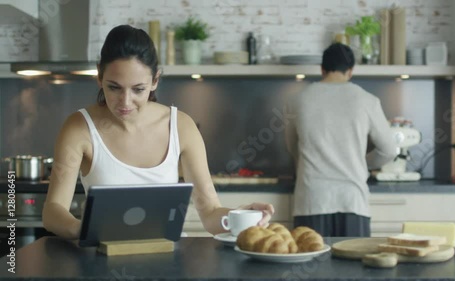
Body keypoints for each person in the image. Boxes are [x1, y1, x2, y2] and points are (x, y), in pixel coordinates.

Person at [42, 25, 274, 239]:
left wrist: (240, 217)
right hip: (101, 259)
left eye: (138, 89)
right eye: (114, 87)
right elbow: (53, 211)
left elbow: (210, 212)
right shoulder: (78, 127)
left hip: (167, 261)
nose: (125, 101)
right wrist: (82, 228)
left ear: (155, 81)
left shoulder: (181, 127)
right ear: (99, 77)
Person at [285, 43, 397, 237]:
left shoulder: (298, 100)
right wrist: (364, 163)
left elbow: (292, 147)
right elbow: (389, 150)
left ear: (322, 69)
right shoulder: (367, 100)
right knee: (353, 266)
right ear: (351, 71)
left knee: (311, 261)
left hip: (312, 201)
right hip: (352, 202)